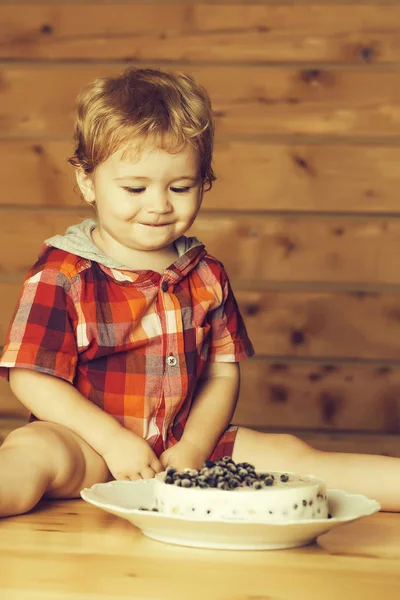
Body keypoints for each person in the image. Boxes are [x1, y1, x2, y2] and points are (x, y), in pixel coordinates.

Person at [0, 68, 399, 519]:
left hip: (184, 448)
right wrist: (112, 441)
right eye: (135, 188)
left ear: (203, 181)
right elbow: (30, 375)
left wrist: (193, 447)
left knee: (291, 454)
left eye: (181, 187)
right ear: (88, 182)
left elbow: (220, 376)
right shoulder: (63, 273)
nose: (159, 204)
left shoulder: (206, 274)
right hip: (89, 446)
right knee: (33, 450)